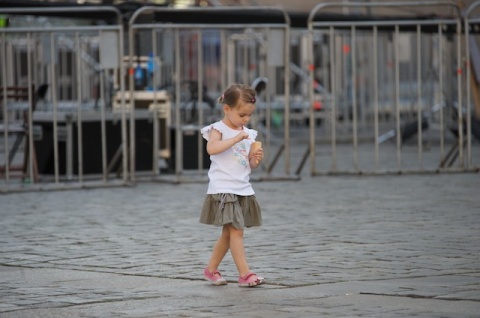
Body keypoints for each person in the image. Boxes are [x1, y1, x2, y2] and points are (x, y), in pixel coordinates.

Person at [199, 83, 264, 287]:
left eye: (249, 115)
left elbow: (247, 165)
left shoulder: (249, 134)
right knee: (237, 230)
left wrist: (255, 159)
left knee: (229, 233)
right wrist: (235, 138)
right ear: (227, 108)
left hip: (242, 188)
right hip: (223, 188)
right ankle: (244, 274)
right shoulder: (218, 129)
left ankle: (210, 270)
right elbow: (212, 149)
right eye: (242, 115)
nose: (246, 120)